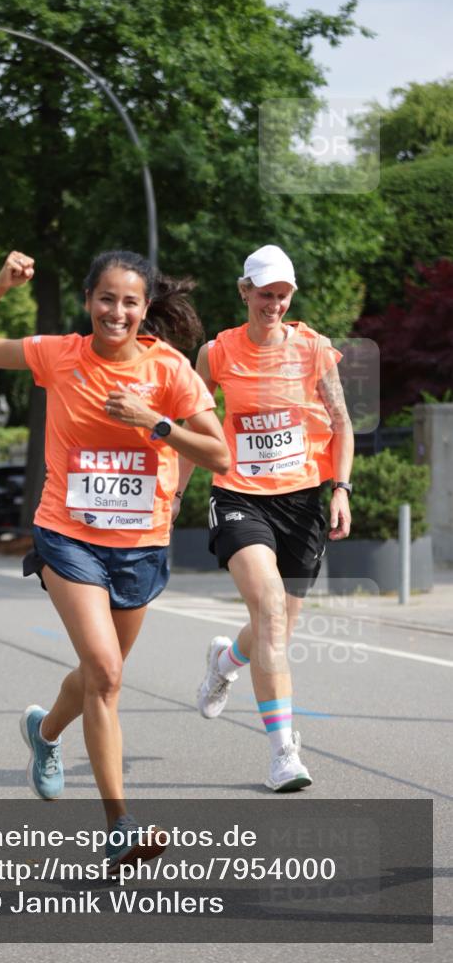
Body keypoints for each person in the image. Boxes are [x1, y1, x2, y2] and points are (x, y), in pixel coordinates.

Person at [0, 249, 229, 868]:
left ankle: (45, 733)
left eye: (130, 301)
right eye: (106, 298)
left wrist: (156, 423)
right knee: (105, 671)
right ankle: (120, 823)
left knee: (101, 675)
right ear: (87, 301)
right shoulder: (58, 354)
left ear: (145, 308)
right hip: (67, 535)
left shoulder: (171, 370)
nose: (117, 311)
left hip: (140, 545)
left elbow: (219, 455)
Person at [174, 244, 353, 792]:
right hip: (239, 497)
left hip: (303, 502)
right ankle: (283, 753)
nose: (273, 304)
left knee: (276, 627)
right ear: (244, 290)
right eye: (265, 294)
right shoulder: (217, 352)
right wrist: (175, 494)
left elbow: (343, 424)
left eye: (283, 295)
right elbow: (194, 427)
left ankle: (225, 660)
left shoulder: (315, 350)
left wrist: (341, 488)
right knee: (270, 608)